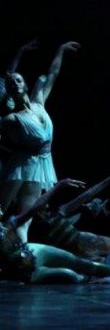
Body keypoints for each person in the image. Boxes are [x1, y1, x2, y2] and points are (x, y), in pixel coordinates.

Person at [0, 40, 80, 241]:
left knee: (28, 214)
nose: (15, 84)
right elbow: (5, 79)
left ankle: (22, 249)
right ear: (8, 92)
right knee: (1, 207)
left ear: (26, 84)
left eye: (18, 81)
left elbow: (53, 74)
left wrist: (60, 50)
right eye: (11, 84)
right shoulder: (11, 118)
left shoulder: (39, 103)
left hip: (42, 162)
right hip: (22, 163)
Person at [0, 178, 110, 283]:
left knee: (86, 264)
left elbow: (37, 206)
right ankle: (92, 276)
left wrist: (58, 186)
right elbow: (35, 208)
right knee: (70, 274)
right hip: (28, 271)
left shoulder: (56, 214)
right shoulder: (27, 227)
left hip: (35, 253)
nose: (45, 206)